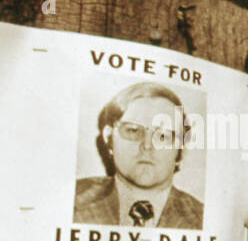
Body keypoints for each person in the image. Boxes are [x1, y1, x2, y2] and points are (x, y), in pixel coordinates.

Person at [74, 82, 203, 229]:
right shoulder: (70, 199)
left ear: (181, 149)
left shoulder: (203, 219)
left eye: (162, 136)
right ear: (108, 137)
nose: (147, 146)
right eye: (133, 131)